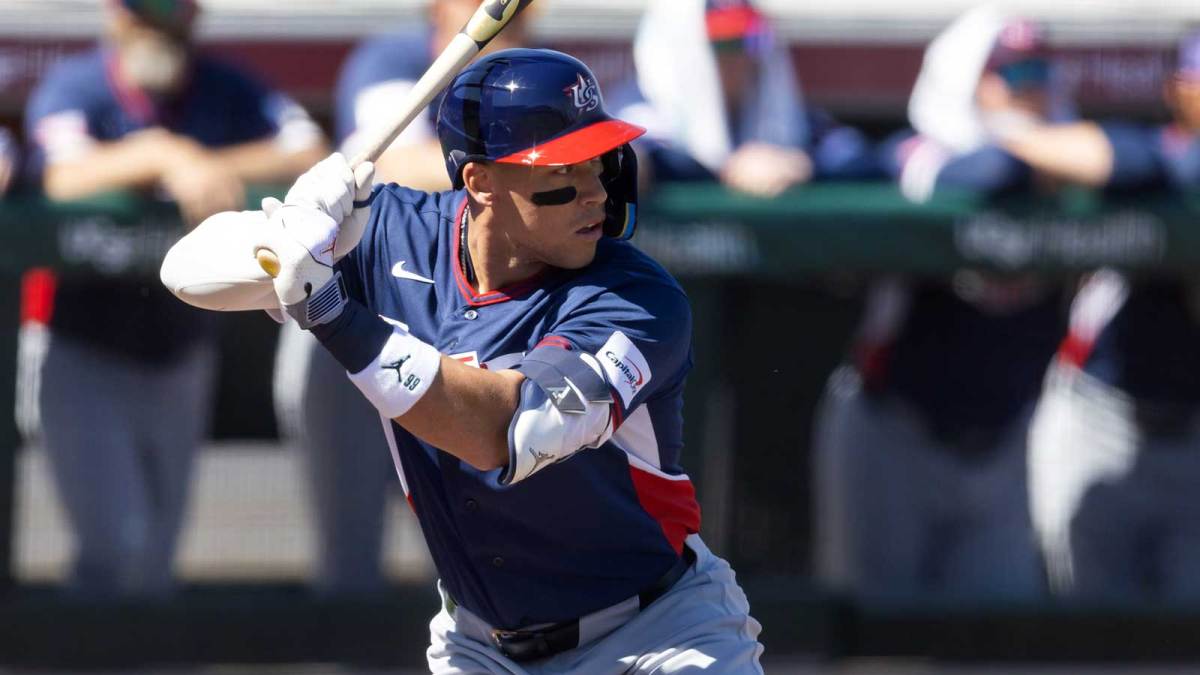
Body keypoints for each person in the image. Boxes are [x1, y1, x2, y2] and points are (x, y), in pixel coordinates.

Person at [162, 48, 764, 673]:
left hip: (656, 635)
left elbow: (513, 433)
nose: (593, 194)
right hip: (480, 645)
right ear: (479, 182)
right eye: (562, 171)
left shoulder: (638, 299)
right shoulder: (389, 229)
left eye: (600, 163)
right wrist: (287, 233)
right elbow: (184, 272)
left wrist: (335, 316)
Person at [23, 0, 327, 595]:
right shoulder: (78, 84)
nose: (159, 27)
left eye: (172, 12)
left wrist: (207, 163)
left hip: (181, 355)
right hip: (83, 351)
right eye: (144, 12)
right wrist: (165, 154)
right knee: (113, 550)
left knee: (154, 568)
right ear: (116, 16)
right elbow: (60, 176)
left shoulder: (225, 85)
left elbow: (310, 151)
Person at [273, 0, 532, 595]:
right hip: (349, 319)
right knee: (350, 554)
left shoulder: (539, 71)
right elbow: (388, 163)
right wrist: (522, 160)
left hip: (462, 333)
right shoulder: (395, 58)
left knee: (475, 551)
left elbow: (620, 166)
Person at [812, 7, 1066, 602]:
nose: (1029, 87)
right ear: (963, 78)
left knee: (994, 638)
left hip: (1003, 444)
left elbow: (1141, 162)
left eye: (1038, 70)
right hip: (895, 430)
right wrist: (1048, 148)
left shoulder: (1064, 157)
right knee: (872, 632)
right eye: (1010, 72)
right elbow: (981, 175)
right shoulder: (918, 153)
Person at [1000, 30, 1200, 600]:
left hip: (1190, 434)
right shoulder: (1155, 156)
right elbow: (1095, 151)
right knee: (1085, 623)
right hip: (1098, 415)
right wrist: (1003, 131)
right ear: (1179, 89)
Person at [615, 0, 877, 196]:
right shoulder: (637, 115)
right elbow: (639, 157)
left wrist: (800, 164)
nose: (740, 58)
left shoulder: (789, 117)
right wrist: (729, 169)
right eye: (724, 44)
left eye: (751, 41)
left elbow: (856, 156)